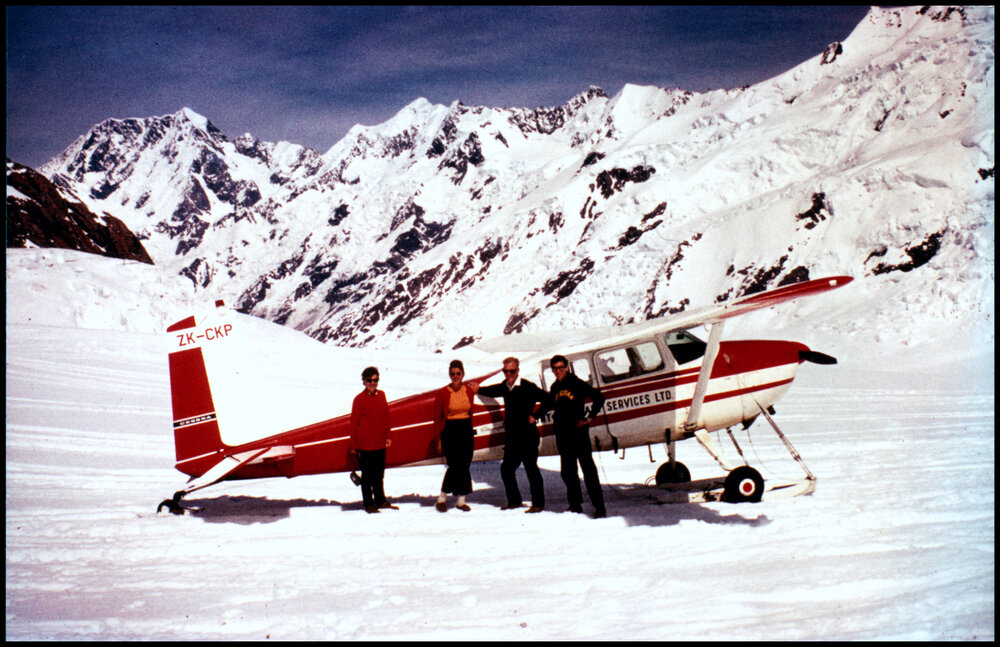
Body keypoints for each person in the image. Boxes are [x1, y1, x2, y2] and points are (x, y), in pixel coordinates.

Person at [537, 355, 607, 518]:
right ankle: (575, 506)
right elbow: (547, 404)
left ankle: (600, 507)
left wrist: (588, 418)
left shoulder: (577, 383)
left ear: (567, 367)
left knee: (588, 471)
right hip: (562, 434)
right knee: (568, 472)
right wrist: (535, 416)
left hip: (578, 433)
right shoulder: (555, 387)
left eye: (561, 368)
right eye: (555, 369)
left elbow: (599, 398)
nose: (558, 371)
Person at [476, 357, 550, 513]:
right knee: (506, 469)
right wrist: (478, 389)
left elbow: (548, 400)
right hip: (512, 437)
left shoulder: (527, 387)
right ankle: (514, 501)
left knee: (531, 469)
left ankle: (538, 504)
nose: (508, 374)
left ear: (518, 371)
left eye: (512, 371)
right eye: (505, 371)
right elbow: (493, 390)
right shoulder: (506, 386)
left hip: (528, 435)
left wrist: (536, 416)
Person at [350, 366, 398, 514]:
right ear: (364, 381)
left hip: (379, 443)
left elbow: (386, 416)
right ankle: (369, 503)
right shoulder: (359, 399)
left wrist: (388, 435)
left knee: (379, 475)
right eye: (369, 380)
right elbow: (354, 423)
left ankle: (380, 500)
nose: (373, 383)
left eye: (375, 380)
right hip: (365, 445)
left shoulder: (382, 395)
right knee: (367, 477)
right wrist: (354, 445)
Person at [432, 359, 478, 512]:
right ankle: (442, 498)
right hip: (450, 431)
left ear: (463, 374)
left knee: (465, 465)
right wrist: (438, 440)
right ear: (449, 375)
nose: (455, 376)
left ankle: (461, 501)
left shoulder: (468, 391)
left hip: (465, 428)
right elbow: (438, 419)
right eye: (453, 374)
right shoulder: (443, 393)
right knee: (454, 465)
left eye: (458, 373)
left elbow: (471, 412)